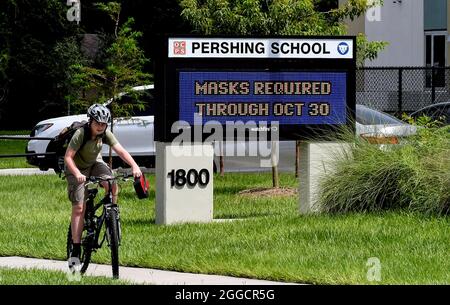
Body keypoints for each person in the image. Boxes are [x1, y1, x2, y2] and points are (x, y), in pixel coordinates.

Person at [64, 104, 142, 265]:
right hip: (76, 168)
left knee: (112, 183)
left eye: (104, 124)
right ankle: (76, 248)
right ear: (90, 121)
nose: (101, 127)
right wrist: (78, 174)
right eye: (98, 123)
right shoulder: (81, 133)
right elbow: (68, 157)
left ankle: (112, 216)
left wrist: (134, 166)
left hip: (94, 163)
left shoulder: (105, 133)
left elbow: (120, 150)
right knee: (79, 207)